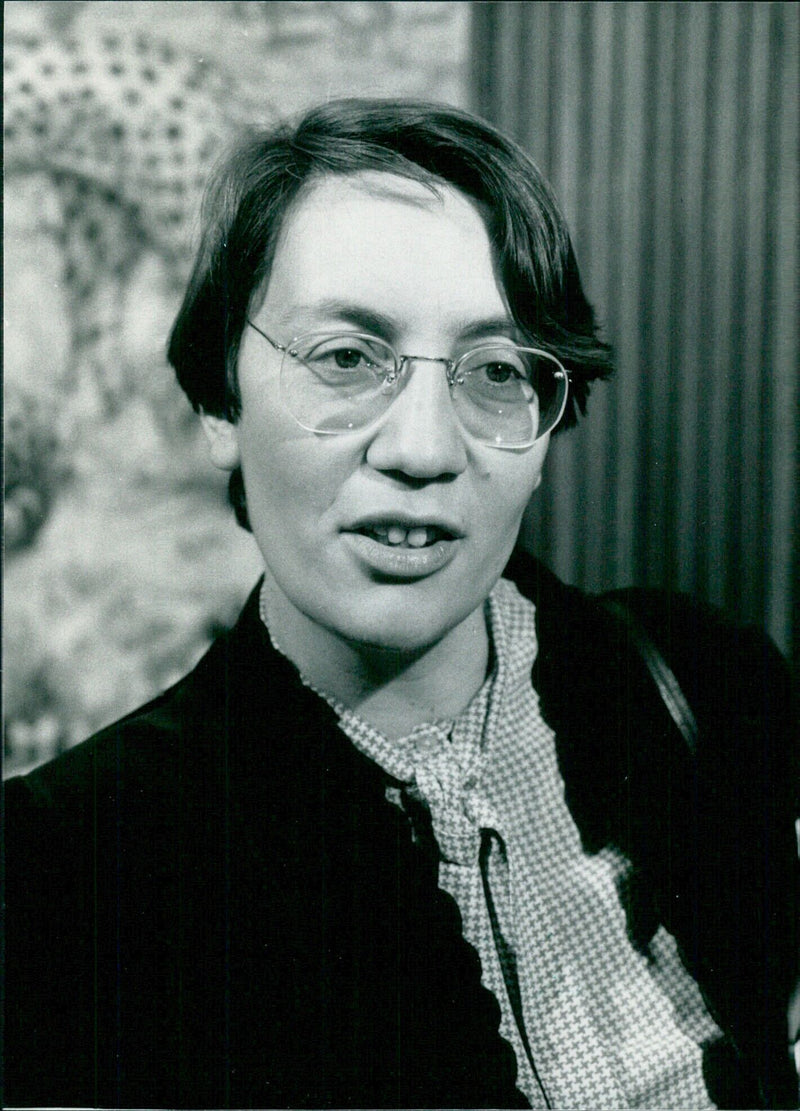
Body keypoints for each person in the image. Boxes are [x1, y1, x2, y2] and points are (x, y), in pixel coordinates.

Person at [5, 98, 798, 1110]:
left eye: (493, 370)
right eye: (344, 358)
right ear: (218, 402)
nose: (422, 449)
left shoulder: (704, 684)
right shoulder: (70, 876)